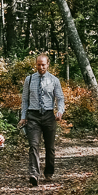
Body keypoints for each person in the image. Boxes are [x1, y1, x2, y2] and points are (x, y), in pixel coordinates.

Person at [17, 52, 65, 185]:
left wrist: (60, 111)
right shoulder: (29, 79)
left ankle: (49, 172)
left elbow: (60, 98)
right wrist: (23, 117)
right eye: (38, 65)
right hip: (33, 116)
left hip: (49, 115)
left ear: (48, 64)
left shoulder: (54, 80)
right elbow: (25, 100)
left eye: (43, 65)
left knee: (50, 147)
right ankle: (34, 174)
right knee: (33, 145)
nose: (41, 67)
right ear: (36, 64)